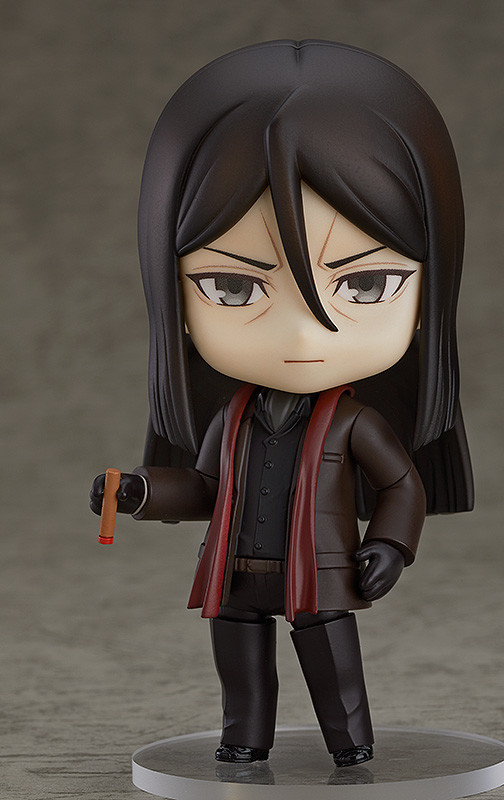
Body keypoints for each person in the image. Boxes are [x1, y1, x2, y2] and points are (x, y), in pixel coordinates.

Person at [90, 40, 473, 768]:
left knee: (333, 666)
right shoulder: (230, 421)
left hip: (320, 571)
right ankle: (244, 739)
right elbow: (204, 487)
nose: (300, 334)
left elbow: (400, 484)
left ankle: (351, 746)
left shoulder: (353, 422)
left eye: (365, 285)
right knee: (239, 666)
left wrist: (390, 545)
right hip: (235, 572)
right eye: (233, 287)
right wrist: (138, 491)